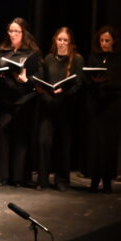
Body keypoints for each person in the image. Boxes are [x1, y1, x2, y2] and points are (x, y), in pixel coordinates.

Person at [0, 18, 41, 187]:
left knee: (20, 138)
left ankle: (19, 177)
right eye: (11, 31)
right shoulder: (2, 52)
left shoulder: (32, 53)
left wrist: (26, 80)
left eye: (16, 31)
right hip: (5, 99)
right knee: (3, 136)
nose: (13, 34)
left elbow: (38, 78)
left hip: (24, 100)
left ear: (23, 33)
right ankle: (4, 176)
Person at [36, 27, 84, 191]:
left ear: (70, 43)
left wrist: (64, 91)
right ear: (55, 41)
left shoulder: (76, 59)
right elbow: (43, 80)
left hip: (66, 107)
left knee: (63, 144)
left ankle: (61, 180)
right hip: (48, 106)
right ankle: (42, 179)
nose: (62, 43)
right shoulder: (49, 58)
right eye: (59, 40)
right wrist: (42, 89)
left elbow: (78, 85)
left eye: (65, 40)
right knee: (44, 142)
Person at [86, 26, 121, 193]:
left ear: (113, 41)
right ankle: (94, 181)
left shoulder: (119, 59)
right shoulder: (94, 57)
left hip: (112, 107)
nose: (104, 43)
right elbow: (87, 79)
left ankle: (107, 181)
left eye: (107, 40)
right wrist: (94, 82)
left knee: (109, 144)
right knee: (95, 143)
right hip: (96, 105)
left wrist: (108, 82)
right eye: (101, 40)